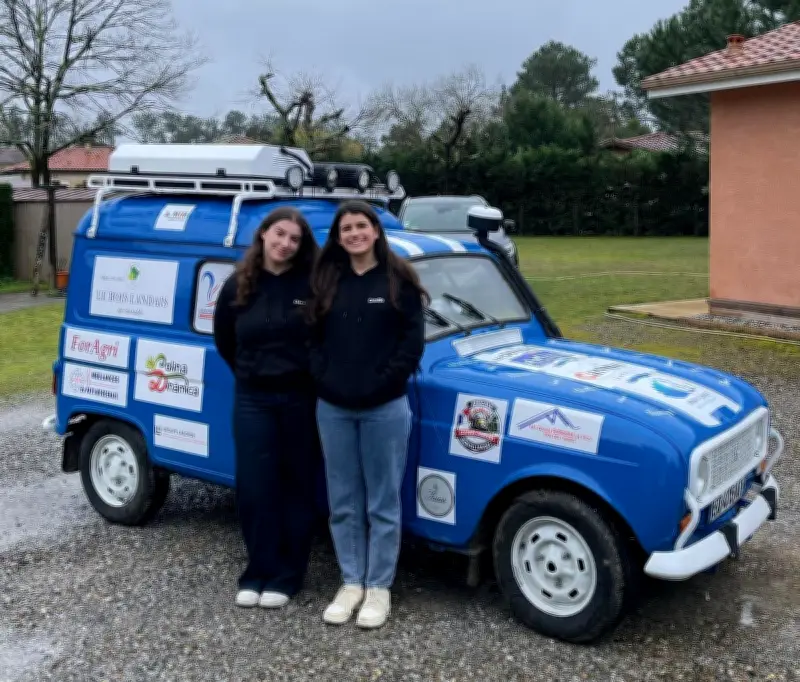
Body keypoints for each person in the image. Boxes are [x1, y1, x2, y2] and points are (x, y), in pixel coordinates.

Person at [307, 199, 427, 629]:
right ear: (338, 237)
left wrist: (383, 382)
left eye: (361, 225)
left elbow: (412, 344)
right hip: (333, 409)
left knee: (382, 501)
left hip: (385, 409)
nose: (354, 233)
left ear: (375, 230)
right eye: (346, 228)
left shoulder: (399, 280)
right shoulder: (326, 281)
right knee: (343, 501)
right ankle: (351, 581)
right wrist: (324, 380)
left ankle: (379, 588)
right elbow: (311, 341)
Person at [213, 206, 321, 610]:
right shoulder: (238, 285)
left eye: (294, 239)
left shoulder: (311, 284)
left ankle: (287, 576)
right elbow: (225, 339)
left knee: (297, 486)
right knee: (255, 487)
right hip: (253, 400)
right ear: (263, 235)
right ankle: (257, 571)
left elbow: (321, 339)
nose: (285, 244)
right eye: (280, 234)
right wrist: (250, 373)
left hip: (299, 400)